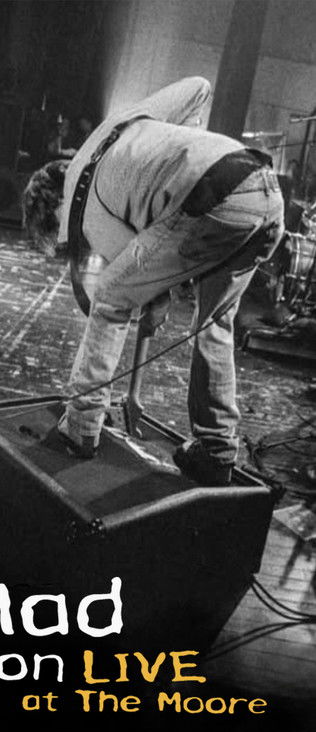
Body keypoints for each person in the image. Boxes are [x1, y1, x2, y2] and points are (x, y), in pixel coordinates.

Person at [23, 77, 284, 486]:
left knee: (109, 296)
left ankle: (81, 426)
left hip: (213, 202)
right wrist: (182, 152)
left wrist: (187, 178)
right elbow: (199, 87)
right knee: (214, 322)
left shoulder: (84, 203)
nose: (69, 243)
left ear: (55, 203)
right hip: (266, 192)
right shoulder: (116, 126)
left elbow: (137, 293)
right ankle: (216, 451)